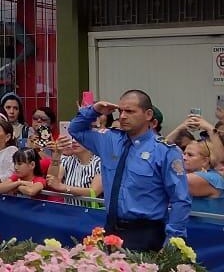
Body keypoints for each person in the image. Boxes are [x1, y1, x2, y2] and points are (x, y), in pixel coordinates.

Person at [69, 90, 191, 251]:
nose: (123, 116)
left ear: (148, 114)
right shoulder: (109, 140)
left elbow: (180, 199)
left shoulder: (165, 151)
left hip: (145, 233)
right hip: (111, 228)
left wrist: (173, 240)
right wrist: (94, 110)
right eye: (120, 111)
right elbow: (75, 129)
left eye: (130, 111)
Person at [47, 133, 103, 198]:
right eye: (73, 138)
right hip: (69, 207)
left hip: (90, 208)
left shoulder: (100, 163)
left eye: (79, 139)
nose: (74, 141)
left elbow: (94, 192)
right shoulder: (67, 161)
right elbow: (51, 180)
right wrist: (56, 154)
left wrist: (63, 187)